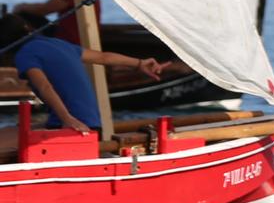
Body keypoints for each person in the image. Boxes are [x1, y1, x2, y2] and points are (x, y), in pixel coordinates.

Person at [0, 12, 180, 133]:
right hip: (93, 124)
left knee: (8, 136)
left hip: (75, 127)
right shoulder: (57, 43)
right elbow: (104, 57)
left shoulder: (25, 54)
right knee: (16, 129)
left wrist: (66, 119)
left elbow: (44, 86)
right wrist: (139, 63)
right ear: (29, 28)